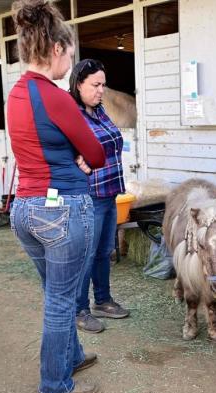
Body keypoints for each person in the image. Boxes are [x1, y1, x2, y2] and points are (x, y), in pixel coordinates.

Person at [7, 0, 105, 393]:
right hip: (61, 209)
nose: (71, 62)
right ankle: (54, 384)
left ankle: (72, 356)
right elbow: (96, 155)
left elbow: (38, 145)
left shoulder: (15, 93)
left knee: (55, 292)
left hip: (24, 209)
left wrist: (69, 153)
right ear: (55, 50)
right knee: (62, 301)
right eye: (69, 53)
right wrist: (78, 157)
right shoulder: (56, 96)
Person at [70, 59, 130, 334]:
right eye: (95, 85)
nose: (100, 90)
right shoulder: (72, 116)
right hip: (88, 195)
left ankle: (102, 300)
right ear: (79, 83)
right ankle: (79, 309)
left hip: (108, 192)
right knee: (87, 253)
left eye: (103, 85)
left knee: (104, 251)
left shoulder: (100, 111)